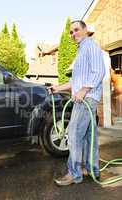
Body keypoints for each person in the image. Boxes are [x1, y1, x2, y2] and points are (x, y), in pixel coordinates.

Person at [50, 20, 105, 186]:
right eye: (71, 32)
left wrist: (83, 90)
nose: (73, 34)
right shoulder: (81, 52)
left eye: (76, 30)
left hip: (87, 98)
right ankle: (92, 169)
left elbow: (99, 71)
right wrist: (57, 88)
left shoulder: (90, 46)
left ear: (85, 30)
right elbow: (75, 82)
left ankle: (74, 174)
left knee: (73, 134)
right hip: (85, 96)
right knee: (89, 136)